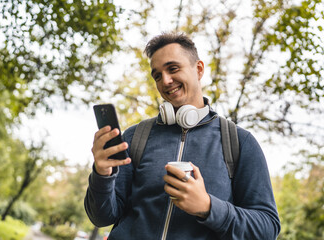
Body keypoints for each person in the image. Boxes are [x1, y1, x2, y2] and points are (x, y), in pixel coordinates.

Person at [85, 32, 281, 239]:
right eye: (157, 75)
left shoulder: (239, 142)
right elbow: (101, 217)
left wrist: (208, 207)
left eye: (173, 69)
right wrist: (102, 174)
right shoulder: (136, 136)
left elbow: (267, 228)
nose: (166, 81)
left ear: (198, 69)